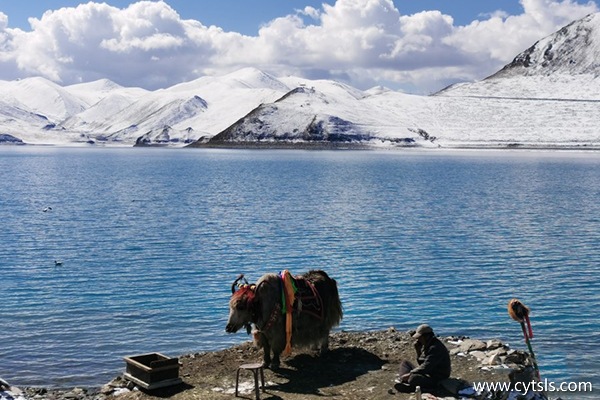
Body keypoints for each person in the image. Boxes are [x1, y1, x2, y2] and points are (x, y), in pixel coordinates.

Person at [394, 324, 451, 393]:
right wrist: (418, 351)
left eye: (420, 338)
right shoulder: (427, 344)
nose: (418, 340)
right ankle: (405, 380)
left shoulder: (435, 348)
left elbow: (426, 367)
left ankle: (412, 387)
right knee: (405, 363)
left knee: (413, 378)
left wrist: (410, 374)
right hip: (429, 372)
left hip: (438, 377)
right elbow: (422, 363)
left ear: (427, 336)